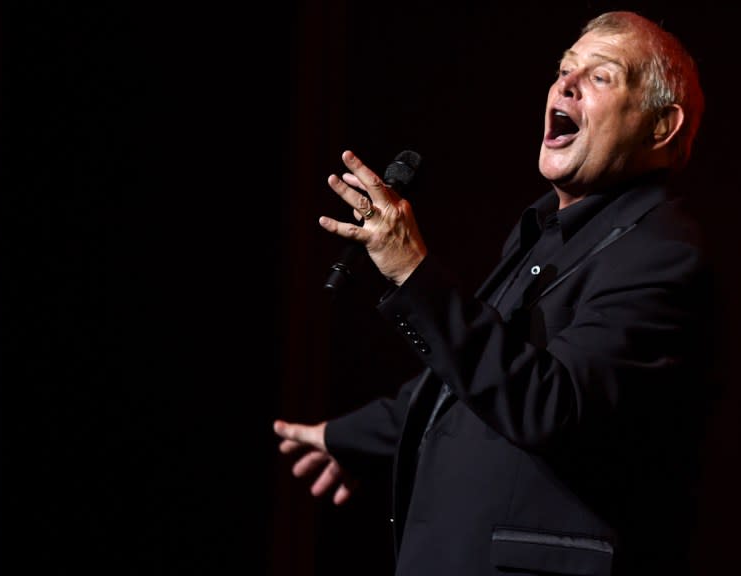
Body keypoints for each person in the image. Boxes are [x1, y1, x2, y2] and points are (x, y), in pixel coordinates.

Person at [274, 10, 712, 575]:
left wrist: (414, 272)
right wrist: (347, 437)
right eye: (563, 70)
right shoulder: (543, 234)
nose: (565, 84)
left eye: (600, 76)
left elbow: (551, 405)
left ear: (661, 125)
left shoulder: (663, 254)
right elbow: (467, 380)